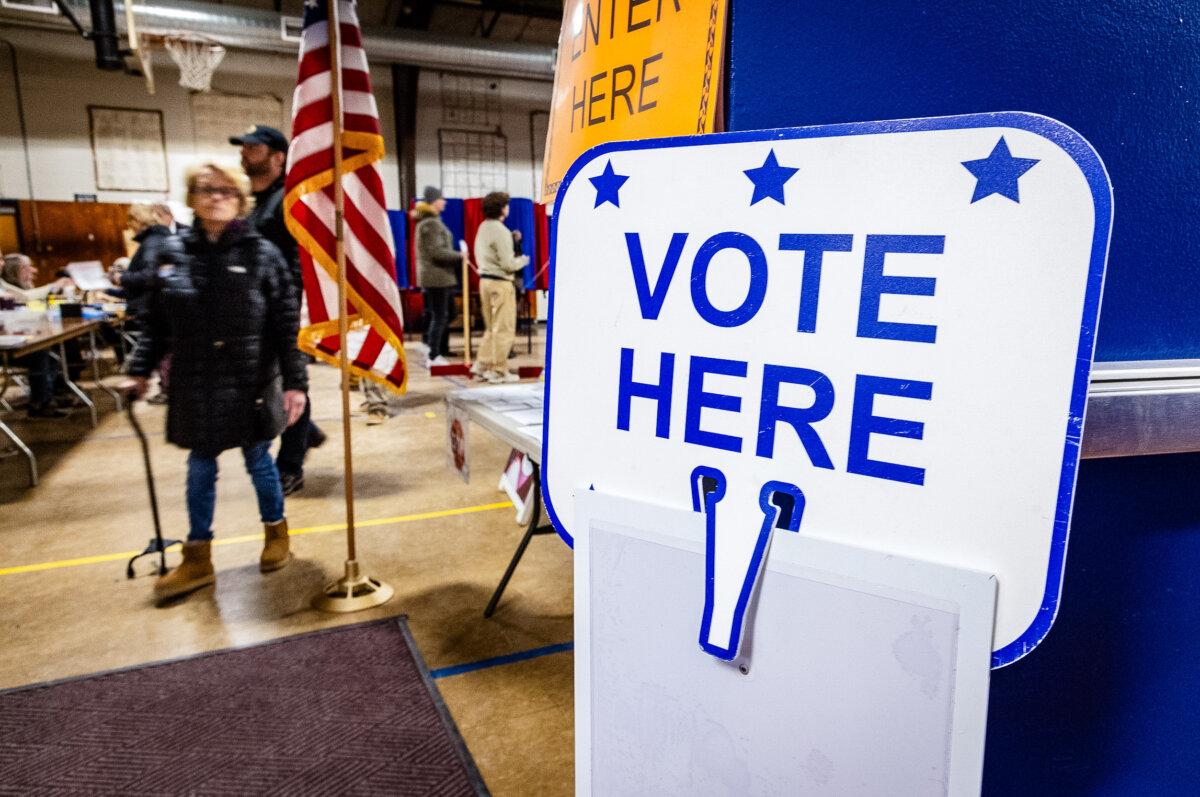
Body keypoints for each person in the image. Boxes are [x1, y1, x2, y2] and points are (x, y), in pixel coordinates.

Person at [121, 162, 308, 605]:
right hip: (196, 380)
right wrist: (139, 369)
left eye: (226, 190)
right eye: (205, 190)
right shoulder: (173, 253)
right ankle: (198, 557)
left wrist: (294, 382)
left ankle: (276, 533)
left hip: (251, 378)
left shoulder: (263, 254)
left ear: (241, 200)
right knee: (200, 467)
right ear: (191, 199)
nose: (216, 197)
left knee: (259, 460)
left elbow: (286, 325)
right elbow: (156, 325)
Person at [230, 124, 325, 495]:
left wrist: (290, 309)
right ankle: (307, 431)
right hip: (258, 313)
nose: (243, 153)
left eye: (252, 148)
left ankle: (290, 466)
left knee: (289, 387)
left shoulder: (286, 200)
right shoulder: (259, 204)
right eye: (243, 147)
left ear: (277, 157)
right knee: (276, 386)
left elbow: (299, 261)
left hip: (281, 311)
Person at [1, 254, 73, 418]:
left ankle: (49, 397)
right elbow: (23, 299)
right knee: (39, 353)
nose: (2, 263)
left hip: (9, 337)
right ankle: (41, 402)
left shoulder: (2, 283)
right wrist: (53, 286)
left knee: (48, 351)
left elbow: (22, 299)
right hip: (4, 344)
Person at [472, 191, 528, 383]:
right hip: (500, 282)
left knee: (491, 327)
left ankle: (482, 365)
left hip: (485, 282)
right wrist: (523, 260)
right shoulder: (501, 230)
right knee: (503, 327)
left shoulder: (483, 227)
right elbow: (507, 264)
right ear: (502, 208)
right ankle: (498, 370)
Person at [412, 186, 464, 369]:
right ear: (435, 201)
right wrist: (459, 255)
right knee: (440, 315)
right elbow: (436, 252)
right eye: (442, 198)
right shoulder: (430, 224)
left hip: (439, 277)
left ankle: (434, 348)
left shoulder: (430, 221)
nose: (445, 202)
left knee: (446, 314)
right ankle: (433, 354)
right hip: (436, 277)